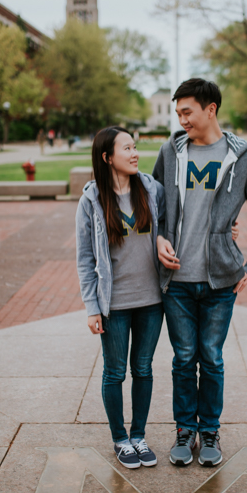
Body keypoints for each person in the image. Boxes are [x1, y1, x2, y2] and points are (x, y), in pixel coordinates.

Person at [153, 78, 247, 468]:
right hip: (177, 282)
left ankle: (210, 432)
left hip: (221, 280)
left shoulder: (245, 158)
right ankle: (184, 430)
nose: (181, 120)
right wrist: (158, 237)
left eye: (187, 112)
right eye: (178, 113)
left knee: (212, 358)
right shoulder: (171, 153)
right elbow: (151, 204)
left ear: (211, 109)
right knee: (184, 358)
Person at [77, 127, 165, 469]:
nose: (134, 153)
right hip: (113, 304)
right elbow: (85, 258)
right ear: (107, 157)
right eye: (126, 148)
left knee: (143, 369)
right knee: (114, 372)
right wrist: (91, 307)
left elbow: (176, 224)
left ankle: (139, 435)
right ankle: (120, 439)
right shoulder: (92, 201)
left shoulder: (150, 189)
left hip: (151, 302)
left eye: (135, 147)